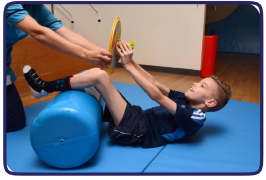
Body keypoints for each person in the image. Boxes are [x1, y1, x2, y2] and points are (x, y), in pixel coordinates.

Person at [23, 40, 232, 148]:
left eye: (203, 86)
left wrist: (127, 67)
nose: (196, 84)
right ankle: (45, 88)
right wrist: (131, 61)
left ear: (210, 102)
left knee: (99, 77)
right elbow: (155, 83)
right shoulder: (186, 98)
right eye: (200, 81)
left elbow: (157, 97)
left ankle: (44, 88)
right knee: (96, 76)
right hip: (136, 116)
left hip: (137, 130)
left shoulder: (196, 117)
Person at [6, 4, 112, 132]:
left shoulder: (36, 8)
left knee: (16, 123)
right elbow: (38, 32)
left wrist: (102, 53)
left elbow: (68, 35)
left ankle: (43, 87)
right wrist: (85, 54)